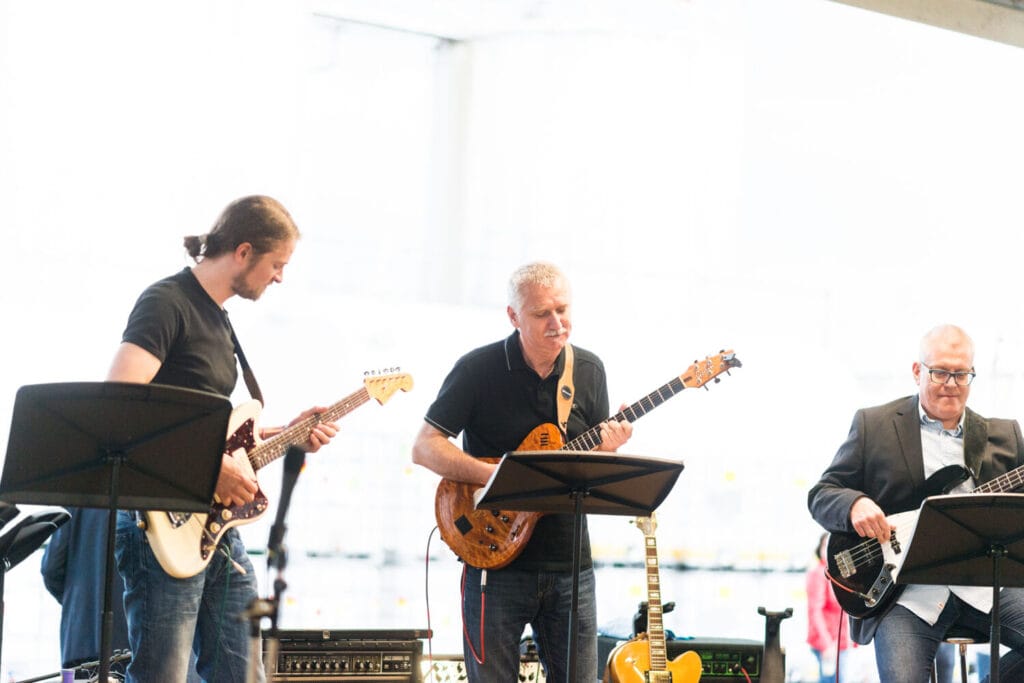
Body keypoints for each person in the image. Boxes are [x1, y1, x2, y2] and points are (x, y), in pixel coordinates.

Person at [109, 195, 338, 683]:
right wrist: (209, 465)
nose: (279, 277)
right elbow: (120, 406)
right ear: (244, 251)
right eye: (277, 264)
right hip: (159, 521)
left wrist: (292, 433)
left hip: (214, 529)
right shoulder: (166, 302)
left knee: (244, 675)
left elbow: (222, 437)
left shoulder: (219, 319)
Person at [411, 261, 633, 683]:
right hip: (494, 565)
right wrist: (490, 475)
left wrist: (608, 451)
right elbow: (424, 447)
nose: (557, 322)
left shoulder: (588, 370)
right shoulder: (478, 369)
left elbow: (585, 472)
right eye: (541, 313)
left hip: (571, 567)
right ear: (513, 317)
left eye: (563, 310)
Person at [808, 324, 1024, 683]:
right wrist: (854, 504)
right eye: (940, 371)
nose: (951, 383)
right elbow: (821, 494)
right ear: (916, 371)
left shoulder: (1005, 435)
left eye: (961, 374)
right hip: (904, 594)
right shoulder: (873, 425)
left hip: (986, 585)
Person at [41, 507, 131, 674]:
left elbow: (51, 568)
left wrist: (76, 601)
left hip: (78, 642)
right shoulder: (149, 491)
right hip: (131, 642)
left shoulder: (77, 489)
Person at [806, 533, 855, 683]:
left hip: (843, 643)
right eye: (826, 546)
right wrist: (826, 644)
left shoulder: (842, 574)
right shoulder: (818, 573)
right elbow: (815, 611)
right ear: (820, 549)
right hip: (829, 645)